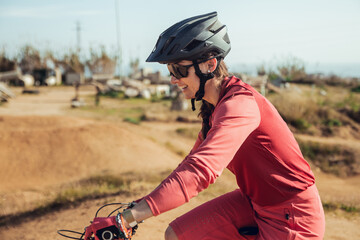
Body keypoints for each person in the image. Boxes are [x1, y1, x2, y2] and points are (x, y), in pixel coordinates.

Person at [116, 12, 325, 239]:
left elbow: (200, 172)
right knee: (177, 234)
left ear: (209, 64)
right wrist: (134, 209)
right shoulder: (214, 110)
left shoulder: (239, 105)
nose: (173, 80)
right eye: (170, 72)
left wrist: (131, 217)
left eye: (179, 70)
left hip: (292, 215)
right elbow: (189, 164)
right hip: (254, 203)